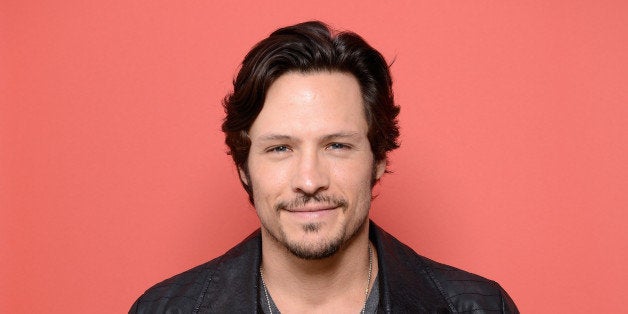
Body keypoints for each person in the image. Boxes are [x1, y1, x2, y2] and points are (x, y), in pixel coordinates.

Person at [130, 21, 519, 313]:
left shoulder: (479, 309)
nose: (310, 180)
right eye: (281, 148)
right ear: (244, 167)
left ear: (379, 157)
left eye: (336, 145)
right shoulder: (163, 310)